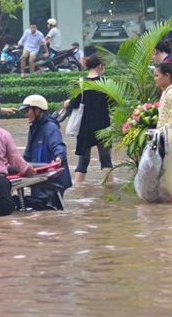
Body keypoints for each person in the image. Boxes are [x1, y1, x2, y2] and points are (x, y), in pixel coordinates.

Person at [63, 54, 113, 184]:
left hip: (85, 126)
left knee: (83, 162)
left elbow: (75, 103)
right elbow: (112, 103)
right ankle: (110, 188)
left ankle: (78, 190)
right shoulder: (106, 83)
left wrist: (67, 102)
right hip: (103, 125)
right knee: (106, 160)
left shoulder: (80, 83)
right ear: (100, 66)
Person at [19, 94, 73, 208]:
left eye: (28, 110)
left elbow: (59, 147)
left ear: (37, 110)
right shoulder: (34, 128)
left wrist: (58, 158)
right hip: (38, 178)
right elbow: (27, 155)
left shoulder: (50, 127)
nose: (26, 114)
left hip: (51, 181)